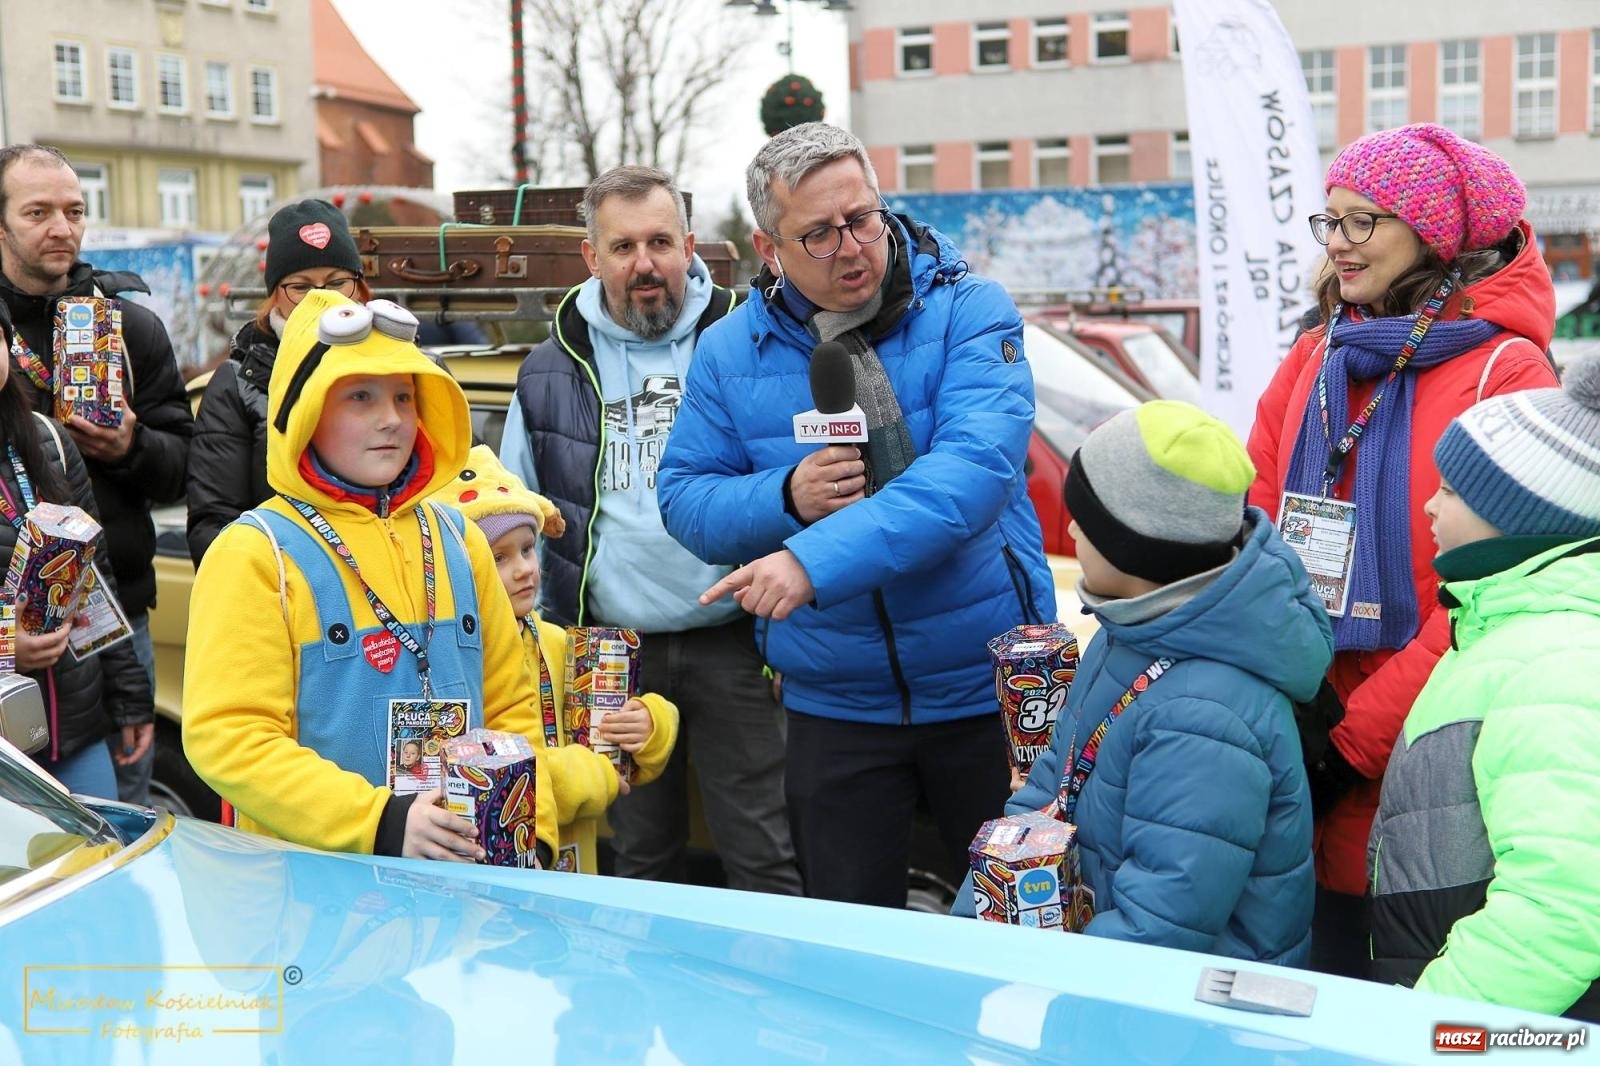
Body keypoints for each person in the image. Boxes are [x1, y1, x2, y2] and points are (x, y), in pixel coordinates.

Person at [656, 123, 1055, 907]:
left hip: (985, 689)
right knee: (848, 941)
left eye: (863, 218)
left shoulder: (971, 310)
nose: (852, 248)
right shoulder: (729, 353)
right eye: (819, 234)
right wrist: (786, 496)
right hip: (834, 705)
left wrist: (812, 559)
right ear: (770, 250)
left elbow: (972, 475)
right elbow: (685, 500)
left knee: (1014, 932)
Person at [1245, 123, 1560, 975]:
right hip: (1297, 737)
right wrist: (1278, 695)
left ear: (1430, 233)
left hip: (1420, 762)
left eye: (1363, 221)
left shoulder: (1508, 374)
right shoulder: (1315, 358)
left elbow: (1487, 599)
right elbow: (1256, 533)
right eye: (1330, 221)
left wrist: (1351, 743)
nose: (1338, 244)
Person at [499, 165, 800, 894]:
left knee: (764, 854)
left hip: (737, 640)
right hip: (607, 652)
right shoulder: (547, 371)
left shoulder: (748, 342)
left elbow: (795, 481)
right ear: (592, 257)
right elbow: (515, 513)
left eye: (660, 242)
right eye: (624, 246)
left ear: (689, 247)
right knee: (638, 862)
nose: (644, 264)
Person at [182, 291, 557, 863]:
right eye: (360, 396)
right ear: (304, 410)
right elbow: (229, 737)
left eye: (404, 396)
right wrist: (381, 823)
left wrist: (533, 837)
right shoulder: (255, 553)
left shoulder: (460, 539)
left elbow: (511, 709)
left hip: (464, 878)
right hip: (312, 889)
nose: (392, 419)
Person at [950, 402, 1325, 962]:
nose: (1070, 528)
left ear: (1134, 550)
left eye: (1086, 520)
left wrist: (1047, 981)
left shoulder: (1205, 717)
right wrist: (972, 922)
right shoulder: (1128, 632)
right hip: (1095, 968)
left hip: (1172, 1001)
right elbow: (1048, 784)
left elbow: (1160, 925)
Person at [1369, 357, 1600, 1021]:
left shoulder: (1558, 662)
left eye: (1451, 489)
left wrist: (1426, 1031)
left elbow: (1562, 905)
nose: (1429, 504)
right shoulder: (1498, 629)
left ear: (1521, 516)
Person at [0, 144, 191, 806]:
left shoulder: (130, 328)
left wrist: (131, 447)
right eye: (38, 212)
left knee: (119, 816)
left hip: (113, 620)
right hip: (9, 635)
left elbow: (185, 471)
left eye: (75, 211)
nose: (62, 228)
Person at [438, 444, 679, 874]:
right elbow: (503, 776)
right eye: (498, 558)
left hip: (577, 866)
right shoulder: (450, 660)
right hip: (499, 869)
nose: (524, 569)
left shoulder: (557, 641)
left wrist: (650, 724)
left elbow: (618, 742)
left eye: (527, 549)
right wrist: (596, 776)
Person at [0, 298, 152, 797]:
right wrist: (5, 646)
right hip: (6, 746)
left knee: (103, 842)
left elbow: (95, 575)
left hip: (74, 724)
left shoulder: (48, 440)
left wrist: (129, 695)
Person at [187, 198, 372, 566]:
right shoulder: (238, 383)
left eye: (337, 282)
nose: (323, 298)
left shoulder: (405, 364)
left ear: (360, 286)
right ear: (275, 294)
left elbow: (462, 480)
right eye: (301, 287)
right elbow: (215, 526)